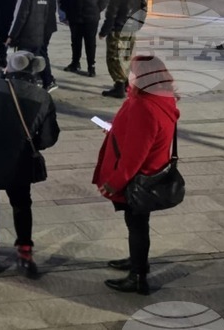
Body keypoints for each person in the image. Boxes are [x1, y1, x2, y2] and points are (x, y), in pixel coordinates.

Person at [0, 50, 60, 277]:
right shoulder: (43, 97)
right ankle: (25, 253)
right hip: (19, 159)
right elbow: (48, 138)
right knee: (22, 204)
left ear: (11, 68)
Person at [93, 55, 179, 295]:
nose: (128, 76)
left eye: (133, 72)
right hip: (151, 171)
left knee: (137, 225)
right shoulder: (159, 98)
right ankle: (136, 261)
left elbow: (134, 156)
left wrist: (113, 183)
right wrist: (114, 129)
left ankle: (138, 276)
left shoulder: (144, 107)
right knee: (138, 225)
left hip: (138, 178)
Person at [99, 0, 147, 98]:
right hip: (131, 29)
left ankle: (119, 86)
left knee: (114, 57)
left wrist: (104, 31)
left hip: (118, 29)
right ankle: (125, 82)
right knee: (126, 56)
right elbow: (143, 7)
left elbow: (111, 13)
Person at [58, 0, 110, 78]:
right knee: (75, 41)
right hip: (74, 15)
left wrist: (98, 8)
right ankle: (75, 63)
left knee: (90, 42)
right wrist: (66, 9)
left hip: (91, 16)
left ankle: (91, 66)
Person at [7, 0, 57, 91]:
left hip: (29, 33)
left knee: (25, 60)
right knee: (36, 58)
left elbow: (20, 17)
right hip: (39, 32)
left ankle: (28, 86)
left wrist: (12, 36)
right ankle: (37, 83)